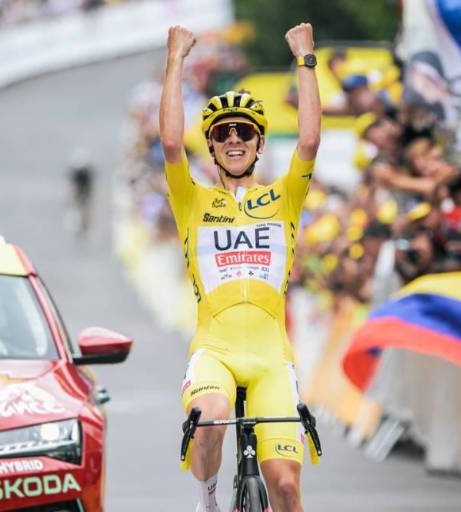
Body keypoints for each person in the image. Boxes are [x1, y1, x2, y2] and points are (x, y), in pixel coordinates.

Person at [159, 23, 321, 512]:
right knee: (208, 419)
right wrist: (176, 60)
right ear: (211, 146)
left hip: (272, 355)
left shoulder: (284, 196)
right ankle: (207, 501)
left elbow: (310, 141)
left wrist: (305, 58)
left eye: (244, 132)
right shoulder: (192, 200)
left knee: (288, 490)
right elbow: (169, 144)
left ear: (258, 143)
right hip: (216, 349)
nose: (234, 139)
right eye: (222, 133)